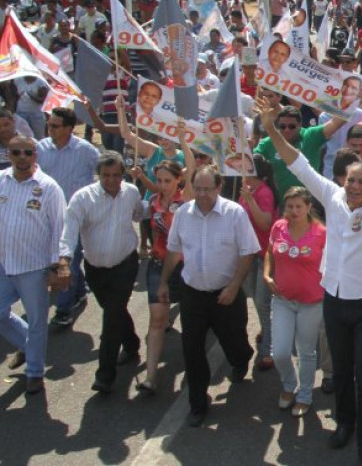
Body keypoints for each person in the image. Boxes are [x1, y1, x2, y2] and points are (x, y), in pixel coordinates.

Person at [256, 95, 362, 465]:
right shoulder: (331, 196)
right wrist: (271, 130)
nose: (354, 185)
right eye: (351, 180)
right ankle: (344, 423)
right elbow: (297, 164)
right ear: (343, 180)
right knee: (342, 370)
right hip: (333, 299)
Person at [161, 164, 260, 427]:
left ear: (219, 187)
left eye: (208, 189)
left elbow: (248, 251)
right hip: (193, 294)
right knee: (192, 349)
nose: (202, 194)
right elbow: (174, 250)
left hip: (226, 294)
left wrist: (234, 286)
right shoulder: (183, 214)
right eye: (198, 188)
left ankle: (241, 359)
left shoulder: (234, 213)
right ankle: (197, 403)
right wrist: (163, 282)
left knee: (235, 344)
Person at [59, 151, 144, 394]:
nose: (112, 180)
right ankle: (131, 343)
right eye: (106, 175)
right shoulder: (82, 198)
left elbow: (139, 213)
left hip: (125, 264)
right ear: (98, 175)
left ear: (123, 175)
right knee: (114, 310)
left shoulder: (131, 192)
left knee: (111, 318)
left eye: (117, 175)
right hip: (95, 269)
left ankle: (105, 375)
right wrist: (64, 261)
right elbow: (69, 231)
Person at [0, 134, 66, 394]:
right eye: (16, 152)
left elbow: (59, 229)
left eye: (28, 152)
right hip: (3, 263)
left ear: (35, 155)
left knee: (38, 321)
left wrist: (57, 266)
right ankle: (28, 346)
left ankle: (35, 372)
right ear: (9, 155)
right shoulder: (1, 180)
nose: (22, 158)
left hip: (34, 267)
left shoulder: (49, 188)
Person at [264, 186, 327, 417]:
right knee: (280, 352)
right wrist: (267, 275)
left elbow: (331, 265)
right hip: (283, 299)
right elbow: (269, 252)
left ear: (309, 207)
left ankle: (305, 395)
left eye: (299, 206)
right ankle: (289, 385)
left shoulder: (321, 233)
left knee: (306, 352)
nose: (294, 211)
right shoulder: (278, 227)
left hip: (312, 302)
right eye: (290, 206)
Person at [35, 107, 99, 327]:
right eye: (49, 125)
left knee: (68, 260)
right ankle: (79, 290)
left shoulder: (87, 150)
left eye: (55, 126)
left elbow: (105, 171)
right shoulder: (40, 148)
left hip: (75, 216)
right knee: (58, 260)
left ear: (70, 129)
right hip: (45, 216)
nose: (50, 129)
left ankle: (63, 310)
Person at [138, 154, 194, 395]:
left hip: (185, 267)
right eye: (159, 180)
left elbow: (191, 165)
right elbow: (152, 229)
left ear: (178, 179)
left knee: (192, 322)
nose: (162, 185)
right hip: (159, 264)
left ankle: (195, 370)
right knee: (158, 319)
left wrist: (183, 139)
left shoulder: (188, 200)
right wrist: (148, 246)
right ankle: (150, 377)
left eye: (167, 180)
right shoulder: (153, 201)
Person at [253, 105, 345, 198]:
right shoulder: (267, 143)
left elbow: (336, 123)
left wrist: (348, 101)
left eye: (292, 126)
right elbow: (250, 162)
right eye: (282, 126)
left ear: (300, 125)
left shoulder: (310, 136)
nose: (287, 130)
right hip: (282, 201)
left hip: (311, 201)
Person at [239, 155, 278, 370]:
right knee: (255, 298)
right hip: (249, 254)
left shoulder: (264, 193)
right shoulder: (248, 191)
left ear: (262, 177)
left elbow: (265, 224)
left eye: (250, 173)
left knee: (263, 303)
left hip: (265, 255)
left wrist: (251, 201)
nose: (245, 177)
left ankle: (267, 351)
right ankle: (267, 329)